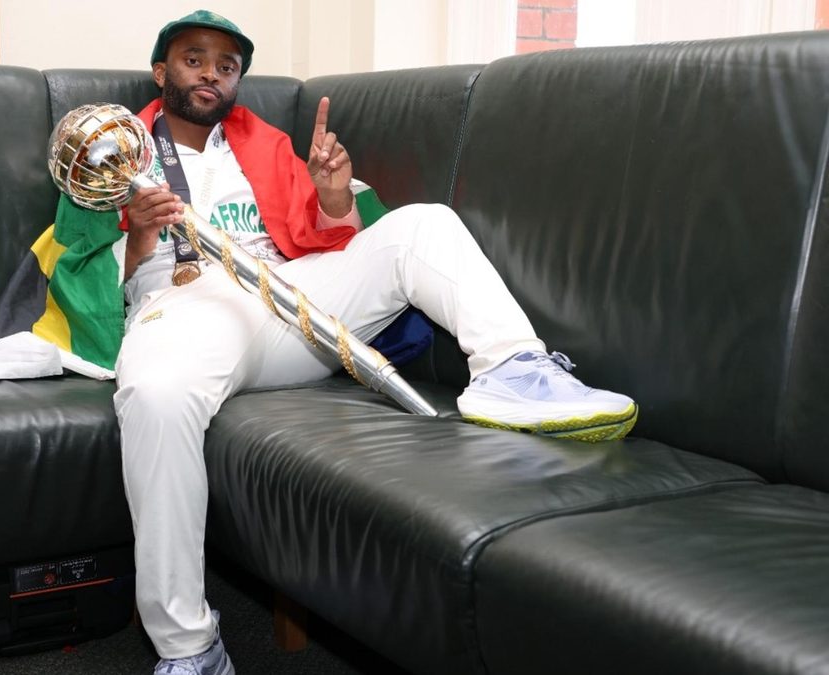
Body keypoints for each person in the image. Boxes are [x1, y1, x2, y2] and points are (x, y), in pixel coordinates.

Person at [107, 10, 638, 675]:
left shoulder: (264, 143)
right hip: (187, 305)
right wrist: (143, 232)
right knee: (155, 396)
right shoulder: (117, 149)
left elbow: (320, 238)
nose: (211, 73)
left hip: (283, 297)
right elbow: (92, 276)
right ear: (162, 72)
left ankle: (513, 369)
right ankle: (190, 648)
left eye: (227, 64)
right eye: (194, 59)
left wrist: (332, 197)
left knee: (422, 226)